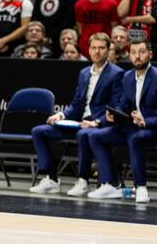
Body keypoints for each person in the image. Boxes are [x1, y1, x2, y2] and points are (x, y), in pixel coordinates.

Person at [29, 33, 121, 196]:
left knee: (83, 134)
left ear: (108, 50)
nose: (97, 52)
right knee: (39, 131)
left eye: (101, 48)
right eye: (94, 48)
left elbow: (115, 106)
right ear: (89, 50)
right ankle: (51, 178)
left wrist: (97, 122)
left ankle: (83, 181)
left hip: (99, 124)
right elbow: (77, 104)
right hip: (79, 122)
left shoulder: (116, 73)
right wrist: (61, 116)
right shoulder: (84, 73)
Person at [87, 40, 157, 202]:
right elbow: (122, 106)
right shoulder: (127, 77)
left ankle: (141, 187)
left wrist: (146, 121)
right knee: (95, 136)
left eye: (141, 52)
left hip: (156, 130)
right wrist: (113, 116)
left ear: (150, 54)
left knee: (136, 138)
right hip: (132, 127)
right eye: (133, 52)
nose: (137, 56)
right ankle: (111, 184)